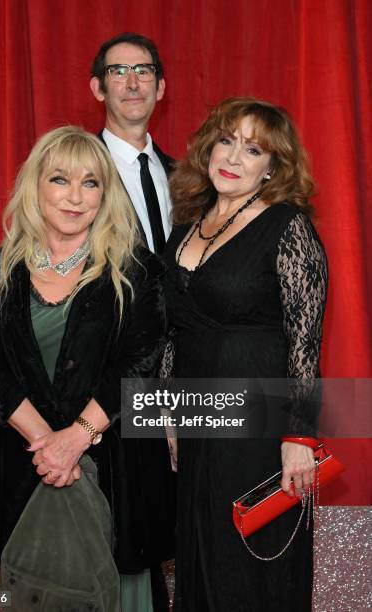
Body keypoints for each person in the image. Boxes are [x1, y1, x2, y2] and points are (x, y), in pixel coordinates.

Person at [0, 126, 175, 610]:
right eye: (60, 180)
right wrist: (50, 449)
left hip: (115, 468)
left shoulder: (137, 271)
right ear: (35, 185)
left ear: (106, 194)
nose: (76, 197)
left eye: (91, 182)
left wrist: (76, 439)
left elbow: (138, 366)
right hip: (29, 465)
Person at [163, 98, 328, 611]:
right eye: (226, 140)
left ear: (272, 167)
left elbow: (306, 340)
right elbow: (171, 333)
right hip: (192, 419)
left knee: (249, 558)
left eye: (252, 148)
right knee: (199, 549)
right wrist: (167, 414)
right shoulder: (186, 225)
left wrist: (299, 436)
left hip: (257, 422)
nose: (233, 156)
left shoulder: (287, 226)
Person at [90, 32, 173, 254]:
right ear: (98, 89)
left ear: (160, 88)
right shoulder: (81, 170)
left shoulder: (183, 176)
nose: (133, 84)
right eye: (118, 72)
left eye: (143, 71)